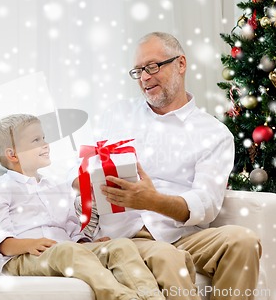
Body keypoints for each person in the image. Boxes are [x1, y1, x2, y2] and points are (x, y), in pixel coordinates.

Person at [75, 32, 262, 300]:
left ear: (181, 64)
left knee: (243, 241)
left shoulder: (213, 133)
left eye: (152, 67)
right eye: (138, 71)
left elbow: (206, 204)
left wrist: (153, 201)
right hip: (125, 239)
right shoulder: (116, 115)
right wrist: (85, 184)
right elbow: (78, 172)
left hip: (182, 235)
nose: (144, 78)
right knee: (166, 256)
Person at [0, 113, 166, 300]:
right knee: (67, 251)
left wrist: (87, 244)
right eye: (36, 140)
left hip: (65, 250)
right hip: (22, 258)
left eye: (44, 138)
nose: (46, 144)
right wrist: (31, 244)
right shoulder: (1, 188)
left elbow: (71, 227)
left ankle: (152, 297)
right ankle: (123, 297)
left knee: (121, 246)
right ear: (12, 154)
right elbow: (0, 240)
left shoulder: (55, 186)